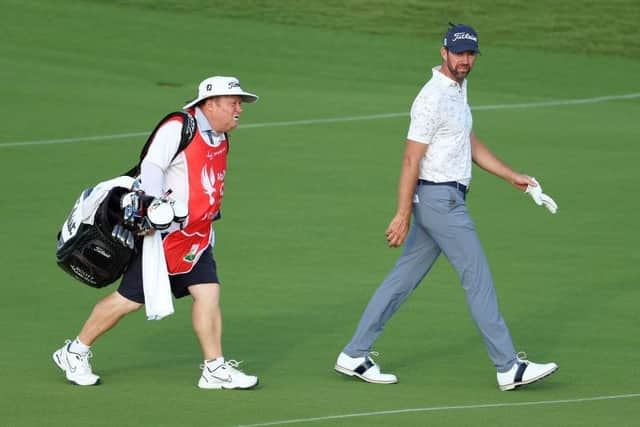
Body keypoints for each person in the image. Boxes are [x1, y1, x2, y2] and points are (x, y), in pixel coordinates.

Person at [334, 24, 559, 391]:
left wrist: (511, 176)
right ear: (443, 52)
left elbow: (466, 140)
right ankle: (507, 366)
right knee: (478, 279)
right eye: (459, 53)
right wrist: (402, 213)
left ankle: (354, 354)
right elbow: (411, 159)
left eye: (471, 54)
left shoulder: (458, 88)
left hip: (440, 201)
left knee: (401, 280)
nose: (465, 61)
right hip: (442, 202)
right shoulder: (431, 98)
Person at [53, 76, 260, 390]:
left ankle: (214, 368)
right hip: (163, 237)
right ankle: (74, 351)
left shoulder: (219, 137)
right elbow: (152, 166)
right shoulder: (179, 127)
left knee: (208, 292)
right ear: (210, 103)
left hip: (196, 236)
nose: (239, 110)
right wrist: (152, 206)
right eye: (233, 103)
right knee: (128, 300)